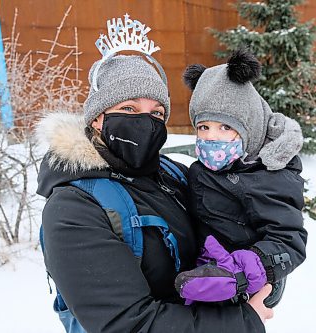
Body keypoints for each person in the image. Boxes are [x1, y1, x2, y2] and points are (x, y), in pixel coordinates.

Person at [36, 53, 275, 332]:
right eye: (128, 108)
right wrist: (243, 321)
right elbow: (128, 324)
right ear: (98, 119)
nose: (145, 122)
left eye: (157, 113)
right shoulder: (73, 209)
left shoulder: (172, 174)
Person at [175, 50, 307, 307]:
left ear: (250, 128)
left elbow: (288, 239)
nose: (211, 137)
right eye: (204, 127)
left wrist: (238, 273)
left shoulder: (269, 176)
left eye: (225, 127)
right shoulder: (200, 171)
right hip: (203, 277)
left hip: (246, 287)